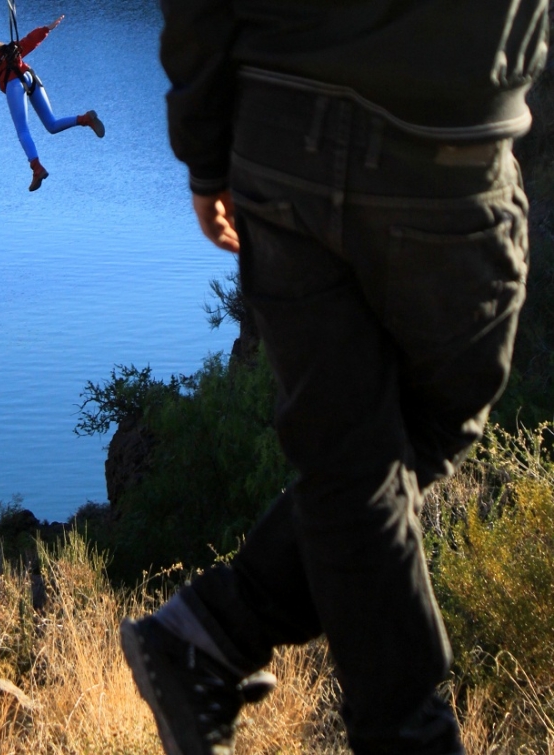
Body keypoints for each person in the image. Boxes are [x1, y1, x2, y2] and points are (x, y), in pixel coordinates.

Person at [120, 2, 548, 754]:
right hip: (443, 145)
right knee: (418, 434)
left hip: (281, 148)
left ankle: (212, 634)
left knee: (351, 463)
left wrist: (204, 151)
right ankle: (224, 629)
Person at [0, 15, 104, 192]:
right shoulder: (4, 49)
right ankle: (86, 119)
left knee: (23, 131)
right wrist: (46, 29)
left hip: (14, 84)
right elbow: (28, 42)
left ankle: (37, 169)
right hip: (30, 77)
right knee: (52, 124)